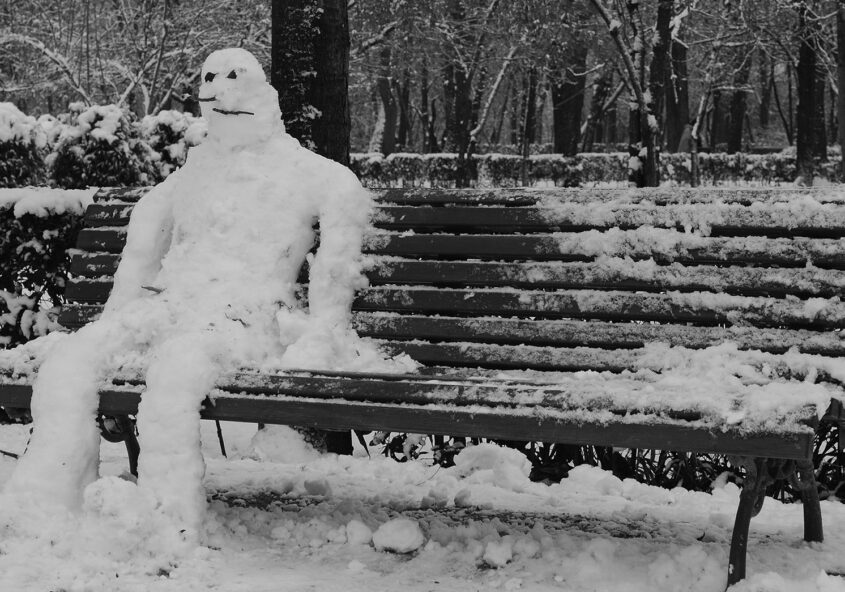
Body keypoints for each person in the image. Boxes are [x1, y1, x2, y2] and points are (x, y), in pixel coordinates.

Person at [3, 48, 372, 545]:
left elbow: (337, 265)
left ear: (261, 93)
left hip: (245, 318)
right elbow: (139, 253)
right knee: (71, 362)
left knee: (177, 372)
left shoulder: (314, 175)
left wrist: (324, 337)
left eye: (231, 78)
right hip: (169, 306)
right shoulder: (190, 177)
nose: (217, 88)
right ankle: (44, 510)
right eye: (209, 78)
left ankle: (166, 520)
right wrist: (113, 324)